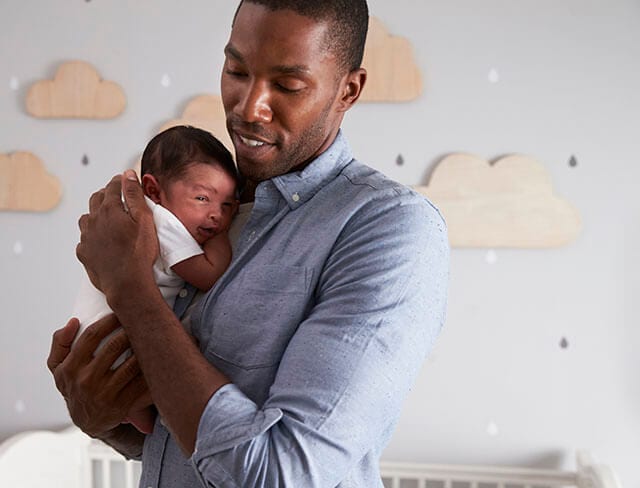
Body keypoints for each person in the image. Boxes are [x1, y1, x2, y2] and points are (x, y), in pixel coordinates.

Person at [47, 1, 449, 486]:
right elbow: (178, 438)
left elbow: (282, 474)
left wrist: (130, 288)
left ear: (348, 90)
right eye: (237, 70)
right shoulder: (208, 212)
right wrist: (102, 418)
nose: (248, 106)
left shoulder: (391, 229)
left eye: (287, 85)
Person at [71, 125, 240, 434]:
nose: (217, 215)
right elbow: (210, 273)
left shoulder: (139, 214)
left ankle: (137, 415)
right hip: (111, 336)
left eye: (228, 206)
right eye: (203, 198)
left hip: (90, 335)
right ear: (153, 191)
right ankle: (138, 413)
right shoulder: (161, 222)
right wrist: (224, 236)